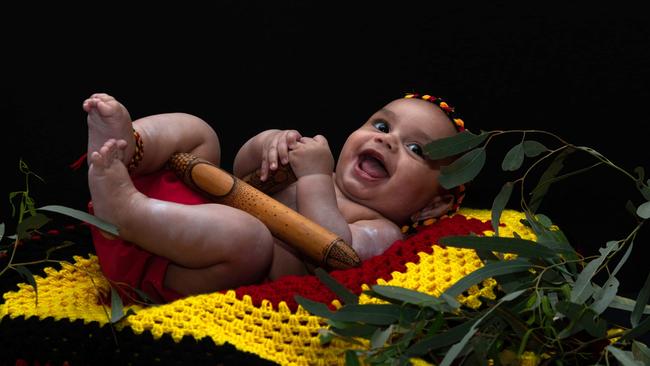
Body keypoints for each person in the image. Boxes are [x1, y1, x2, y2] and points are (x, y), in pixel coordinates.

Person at [84, 92, 466, 303]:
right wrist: (270, 145)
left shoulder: (383, 231)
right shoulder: (308, 163)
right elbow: (241, 170)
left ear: (434, 204)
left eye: (417, 149)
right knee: (202, 134)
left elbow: (338, 255)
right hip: (174, 217)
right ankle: (127, 148)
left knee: (249, 238)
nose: (387, 140)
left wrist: (316, 177)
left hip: (170, 269)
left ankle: (126, 211)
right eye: (381, 125)